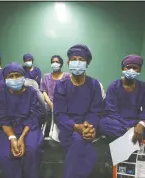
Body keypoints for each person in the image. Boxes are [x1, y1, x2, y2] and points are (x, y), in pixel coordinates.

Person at [53, 44, 103, 178]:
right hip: (68, 126)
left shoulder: (94, 85)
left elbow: (96, 110)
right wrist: (75, 127)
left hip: (88, 126)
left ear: (87, 63)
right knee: (80, 143)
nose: (77, 62)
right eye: (74, 59)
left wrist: (89, 126)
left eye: (81, 59)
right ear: (68, 62)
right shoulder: (61, 85)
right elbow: (59, 114)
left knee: (80, 144)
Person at [0, 62, 43, 178]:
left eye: (17, 75)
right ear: (5, 78)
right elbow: (2, 117)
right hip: (9, 129)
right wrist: (12, 138)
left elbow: (34, 116)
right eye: (10, 76)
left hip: (29, 127)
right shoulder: (2, 94)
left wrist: (21, 138)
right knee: (5, 156)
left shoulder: (31, 92)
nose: (15, 78)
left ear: (23, 76)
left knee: (31, 151)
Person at [99, 55, 145, 144]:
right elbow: (111, 110)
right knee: (103, 124)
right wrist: (128, 127)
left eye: (135, 68)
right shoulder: (114, 86)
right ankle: (135, 136)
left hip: (135, 120)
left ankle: (130, 135)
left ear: (140, 70)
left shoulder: (144, 87)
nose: (131, 70)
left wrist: (141, 123)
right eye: (128, 67)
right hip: (117, 121)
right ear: (123, 68)